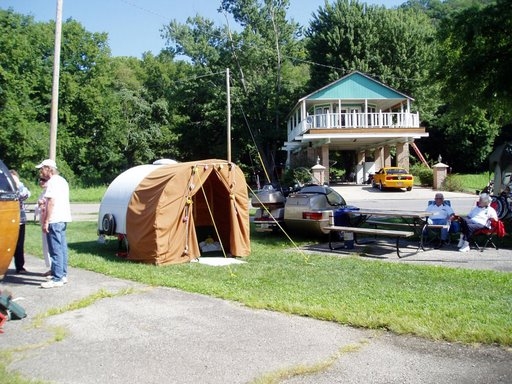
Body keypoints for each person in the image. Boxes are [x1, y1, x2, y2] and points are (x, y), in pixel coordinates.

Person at [36, 159, 72, 288]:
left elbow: (51, 202)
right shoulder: (62, 181)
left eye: (42, 169)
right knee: (62, 248)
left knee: (55, 249)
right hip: (63, 218)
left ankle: (57, 278)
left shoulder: (52, 182)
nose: (41, 172)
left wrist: (46, 221)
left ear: (49, 169)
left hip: (54, 218)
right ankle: (62, 274)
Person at [10, 170, 31, 274]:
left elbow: (25, 195)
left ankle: (20, 266)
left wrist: (18, 184)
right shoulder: (5, 189)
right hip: (7, 220)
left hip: (20, 220)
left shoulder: (20, 188)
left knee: (19, 245)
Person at [35, 177, 51, 276]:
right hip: (43, 221)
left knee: (51, 246)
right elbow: (37, 209)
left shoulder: (50, 192)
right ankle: (50, 267)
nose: (41, 182)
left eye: (44, 180)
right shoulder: (43, 193)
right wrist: (39, 205)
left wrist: (44, 205)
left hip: (49, 221)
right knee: (46, 246)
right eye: (40, 180)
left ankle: (54, 269)